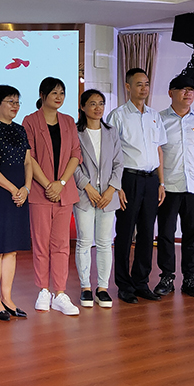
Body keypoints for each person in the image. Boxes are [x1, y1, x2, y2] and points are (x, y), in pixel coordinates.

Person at [106, 68, 167, 304]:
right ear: (128, 87)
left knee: (147, 232)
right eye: (139, 84)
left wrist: (161, 182)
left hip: (152, 180)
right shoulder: (118, 115)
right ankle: (124, 285)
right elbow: (111, 153)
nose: (144, 88)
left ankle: (141, 282)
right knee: (124, 232)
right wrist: (117, 186)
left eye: (147, 84)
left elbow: (159, 150)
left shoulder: (154, 116)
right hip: (128, 179)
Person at [22, 77, 81, 315]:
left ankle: (60, 293)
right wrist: (49, 185)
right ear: (42, 94)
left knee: (61, 245)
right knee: (41, 243)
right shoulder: (30, 121)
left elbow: (75, 154)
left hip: (64, 192)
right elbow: (29, 157)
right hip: (40, 192)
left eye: (62, 93)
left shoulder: (68, 121)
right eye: (54, 92)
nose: (59, 97)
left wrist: (61, 183)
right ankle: (43, 290)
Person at [154, 75, 194, 299]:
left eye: (191, 90)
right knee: (166, 234)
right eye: (183, 89)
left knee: (192, 234)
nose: (188, 93)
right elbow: (156, 151)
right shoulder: (159, 119)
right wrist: (161, 182)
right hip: (168, 186)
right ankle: (167, 277)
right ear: (171, 93)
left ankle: (190, 278)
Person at [0, 85, 32, 321]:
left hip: (20, 193)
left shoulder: (20, 130)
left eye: (17, 102)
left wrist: (26, 188)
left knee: (12, 248)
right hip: (0, 194)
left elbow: (28, 163)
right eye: (10, 101)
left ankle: (8, 298)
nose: (15, 106)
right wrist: (14, 189)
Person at [73, 88, 123, 308]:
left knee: (104, 242)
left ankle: (102, 288)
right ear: (83, 107)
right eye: (92, 103)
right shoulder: (75, 132)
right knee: (84, 241)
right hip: (85, 194)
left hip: (107, 196)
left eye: (101, 103)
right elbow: (72, 163)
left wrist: (111, 189)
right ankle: (85, 287)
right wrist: (87, 186)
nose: (98, 108)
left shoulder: (111, 131)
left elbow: (119, 163)